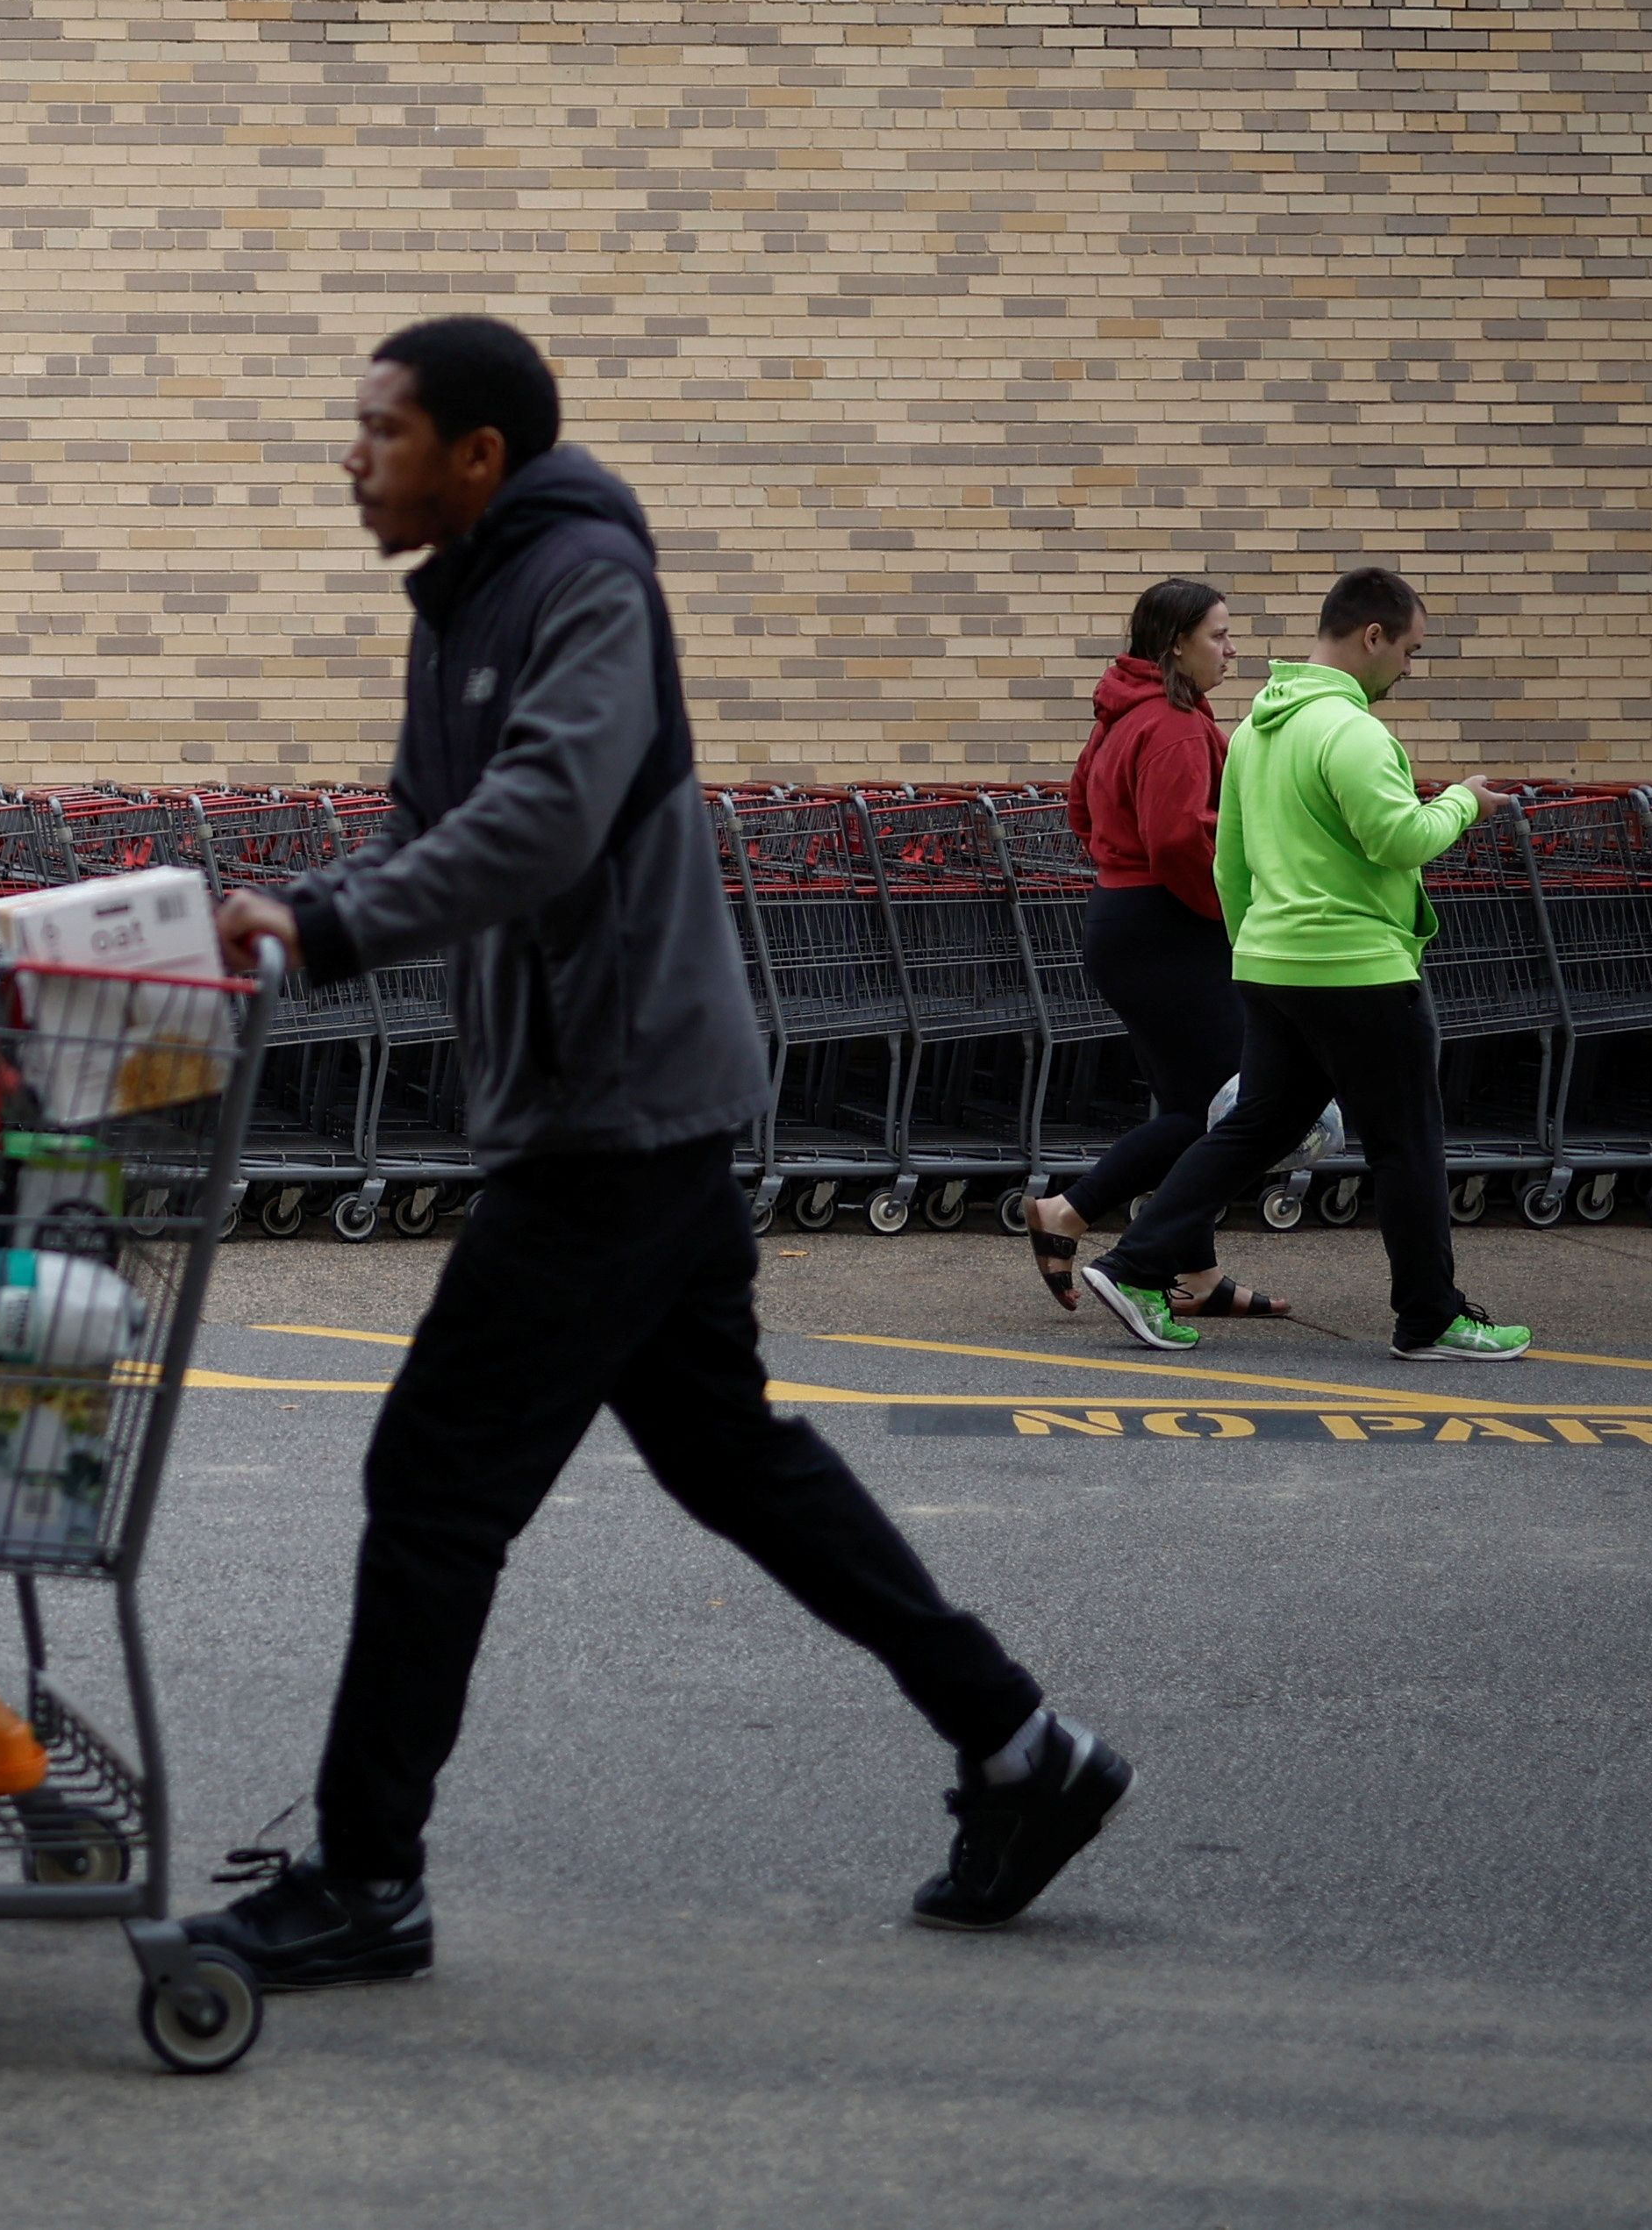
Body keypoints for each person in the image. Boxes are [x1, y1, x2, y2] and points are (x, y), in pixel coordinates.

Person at [192, 316, 1121, 1991]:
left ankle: (364, 1878)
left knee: (431, 1481)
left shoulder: (582, 584)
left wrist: (328, 929)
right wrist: (302, 906)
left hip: (612, 1115)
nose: (351, 456)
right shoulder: (460, 598)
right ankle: (1021, 1751)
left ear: (474, 454)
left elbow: (545, 817)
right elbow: (430, 820)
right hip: (608, 1101)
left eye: (379, 430)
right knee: (726, 1457)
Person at [1081, 567, 1534, 1365]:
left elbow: (1230, 856)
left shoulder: (1257, 726)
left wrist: (1251, 939)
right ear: (1372, 636)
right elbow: (1399, 839)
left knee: (1259, 1123)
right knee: (1408, 1143)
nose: (1407, 668)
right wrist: (1464, 801)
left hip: (1270, 960)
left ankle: (1135, 1264)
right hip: (1358, 968)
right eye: (1409, 650)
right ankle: (1430, 1317)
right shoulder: (1354, 733)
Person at [1017, 579, 1294, 1324]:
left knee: (1193, 1103)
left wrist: (1121, 862)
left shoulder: (1124, 713)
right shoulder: (1172, 724)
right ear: (1177, 643)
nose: (1231, 650)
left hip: (1127, 919)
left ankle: (1196, 1276)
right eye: (1219, 635)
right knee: (1231, 1111)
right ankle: (1071, 1210)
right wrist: (1231, 913)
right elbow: (1179, 841)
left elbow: (1079, 806)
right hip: (1169, 925)